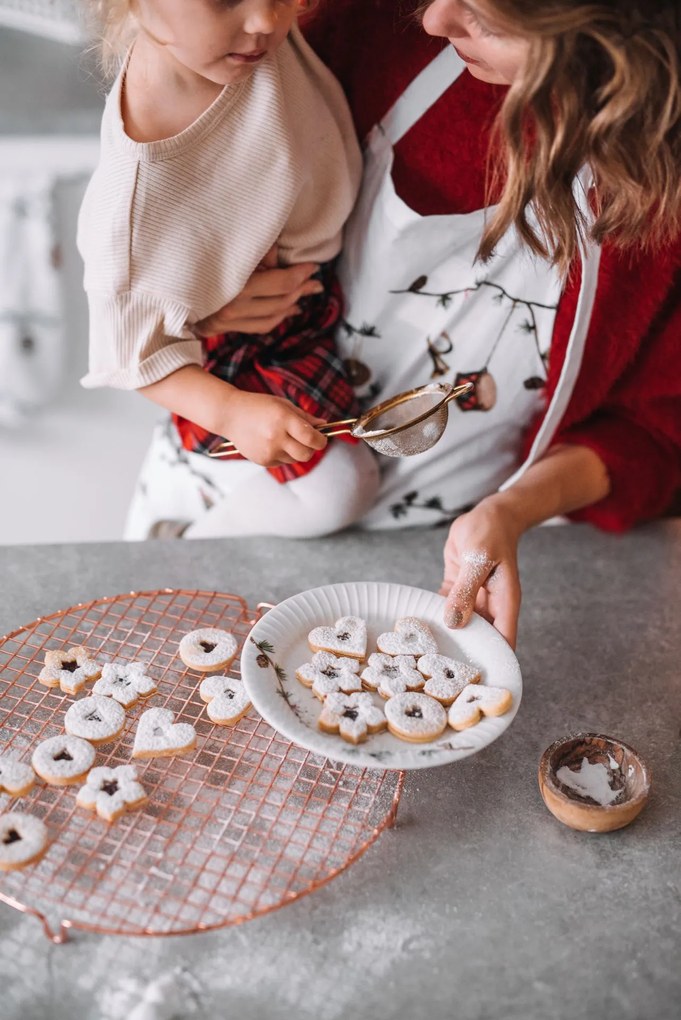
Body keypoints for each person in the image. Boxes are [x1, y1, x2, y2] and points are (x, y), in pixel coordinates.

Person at [124, 0, 681, 649]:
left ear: (612, 32)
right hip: (223, 491)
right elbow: (166, 196)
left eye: (484, 16)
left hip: (428, 577)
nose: (435, 21)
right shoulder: (367, 26)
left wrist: (511, 511)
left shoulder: (659, 200)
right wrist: (202, 295)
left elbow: (652, 431)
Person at [77, 0, 380, 541]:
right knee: (341, 487)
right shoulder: (135, 195)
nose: (266, 20)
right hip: (245, 349)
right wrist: (233, 413)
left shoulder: (238, 44)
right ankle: (186, 536)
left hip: (309, 290)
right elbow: (133, 356)